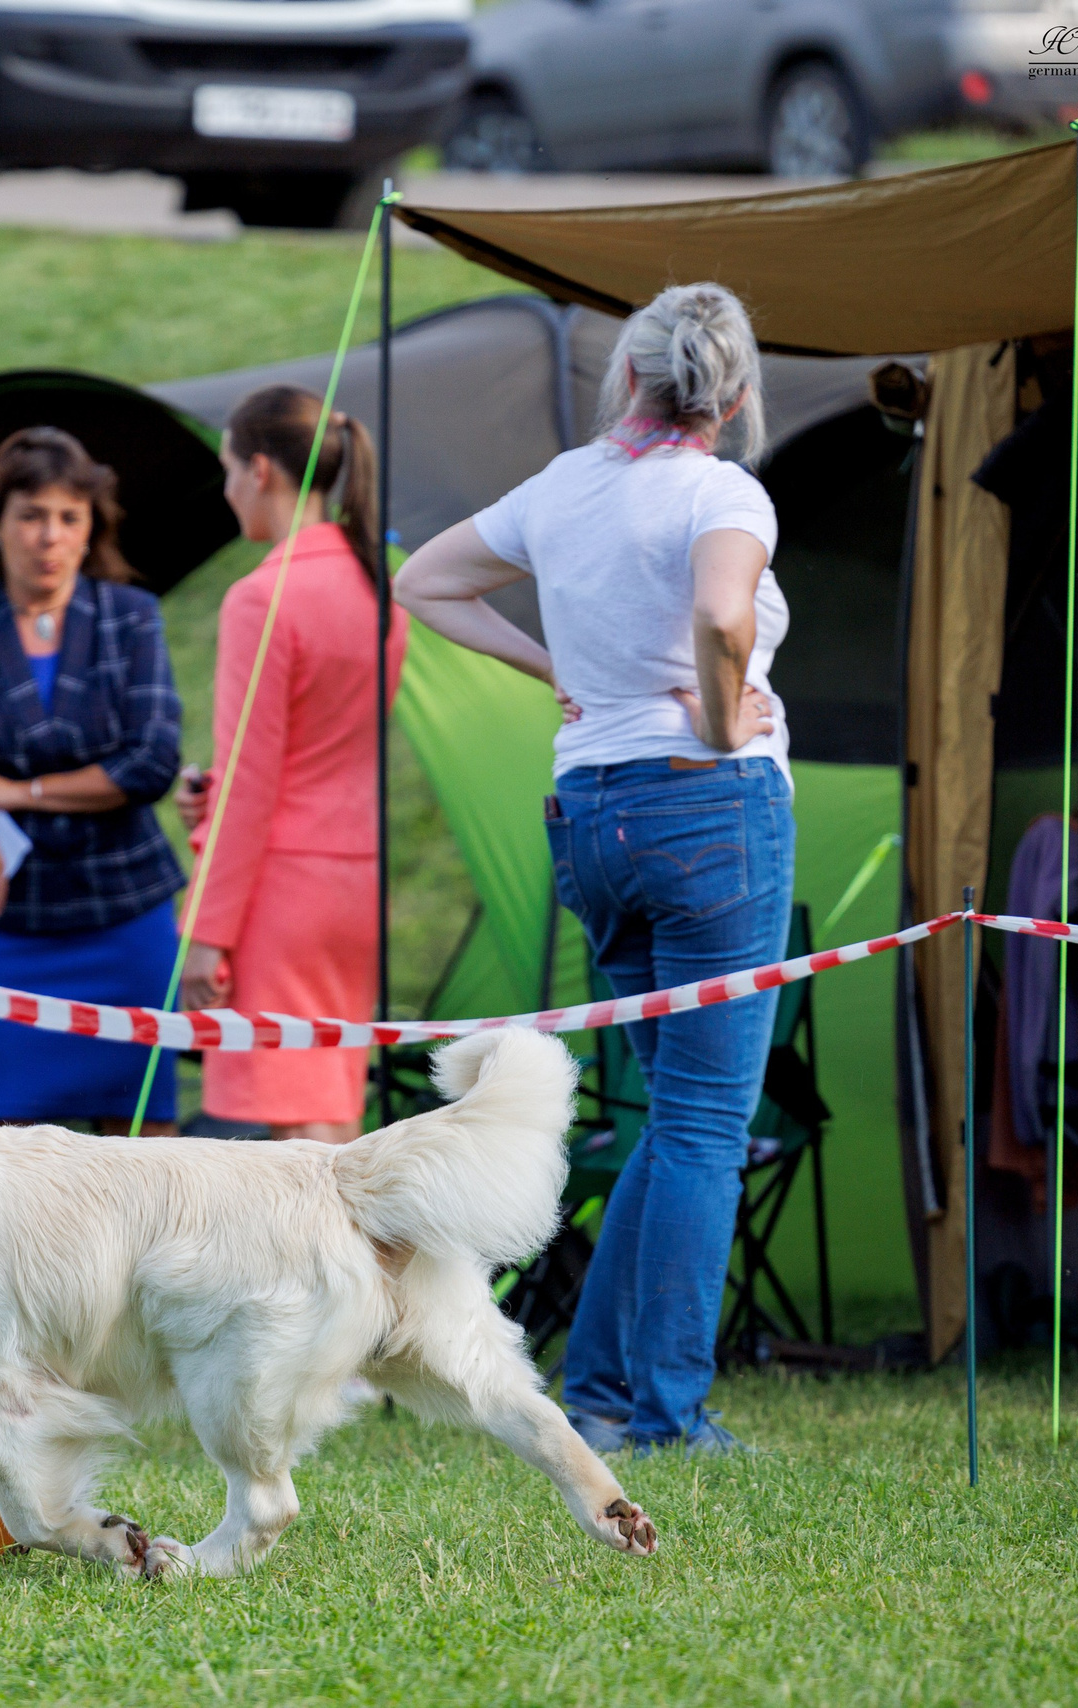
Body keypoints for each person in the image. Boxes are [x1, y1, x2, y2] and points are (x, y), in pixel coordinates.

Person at [395, 281, 791, 1458]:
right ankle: (665, 1412)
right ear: (735, 391)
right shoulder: (722, 492)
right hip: (709, 807)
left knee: (672, 1117)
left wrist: (549, 667)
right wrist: (720, 718)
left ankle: (607, 1397)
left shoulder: (561, 486)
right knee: (706, 1125)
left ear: (627, 376)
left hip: (592, 816)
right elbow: (721, 614)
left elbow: (423, 580)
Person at [0, 426, 186, 1134]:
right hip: (0, 927)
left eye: (69, 517)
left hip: (123, 916)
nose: (50, 536)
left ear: (90, 530)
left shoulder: (131, 618)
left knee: (144, 1148)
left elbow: (151, 764)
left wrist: (14, 795)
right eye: (31, 515)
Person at [172, 385, 404, 1144]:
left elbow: (252, 784)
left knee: (298, 1135)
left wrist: (207, 929)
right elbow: (325, 748)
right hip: (355, 887)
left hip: (281, 896)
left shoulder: (260, 598)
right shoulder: (381, 589)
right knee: (332, 1109)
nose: (227, 489)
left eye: (228, 470)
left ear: (261, 470)